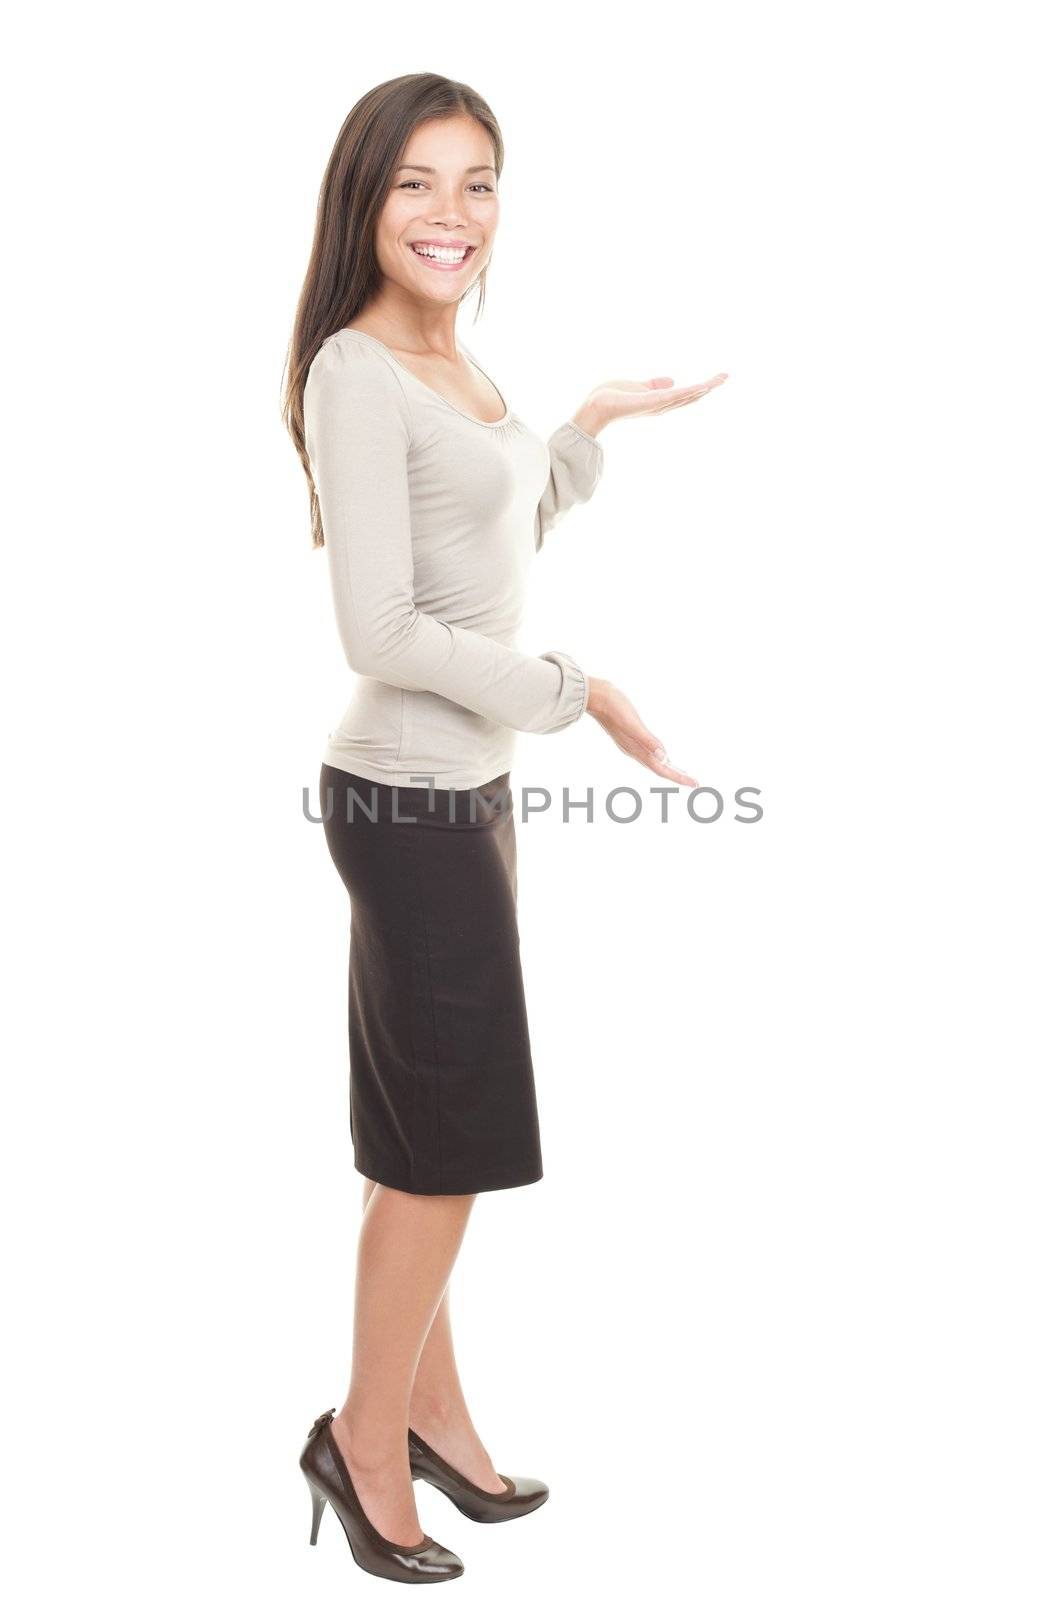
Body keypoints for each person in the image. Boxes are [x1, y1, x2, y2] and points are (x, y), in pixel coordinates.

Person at [283, 72, 727, 1585]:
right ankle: (358, 1437)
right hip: (405, 797)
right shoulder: (356, 366)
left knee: (424, 1136)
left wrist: (583, 428)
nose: (451, 213)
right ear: (366, 199)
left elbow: (491, 535)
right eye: (418, 182)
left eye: (477, 182)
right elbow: (385, 624)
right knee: (444, 1150)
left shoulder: (453, 359)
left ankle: (430, 1415)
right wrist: (572, 689)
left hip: (457, 798)